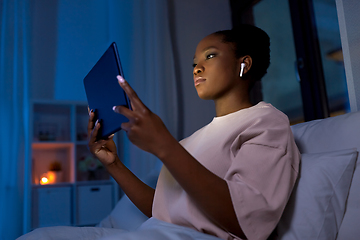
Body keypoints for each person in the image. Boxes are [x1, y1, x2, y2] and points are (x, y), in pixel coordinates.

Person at [18, 24, 300, 240]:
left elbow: (247, 219)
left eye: (210, 56)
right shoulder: (193, 140)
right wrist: (114, 165)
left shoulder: (266, 122)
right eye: (194, 63)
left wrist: (164, 145)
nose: (197, 67)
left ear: (244, 64)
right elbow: (161, 209)